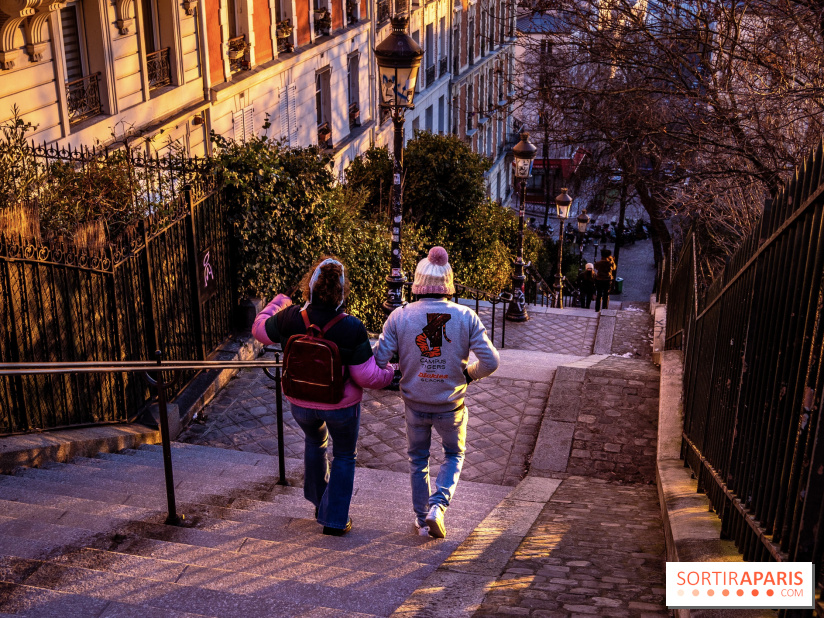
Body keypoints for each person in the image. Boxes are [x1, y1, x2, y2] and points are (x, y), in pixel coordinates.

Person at [252, 257, 393, 536]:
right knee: (344, 454)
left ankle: (319, 502)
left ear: (311, 287)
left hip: (301, 401)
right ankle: (334, 519)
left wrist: (278, 301)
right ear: (342, 292)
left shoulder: (291, 315)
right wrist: (390, 370)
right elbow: (367, 377)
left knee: (314, 442)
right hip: (341, 406)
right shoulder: (351, 326)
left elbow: (259, 330)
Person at [374, 246, 500, 539]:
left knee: (418, 459)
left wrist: (401, 368)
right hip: (451, 404)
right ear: (448, 284)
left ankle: (421, 520)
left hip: (414, 401)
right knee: (454, 454)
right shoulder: (466, 316)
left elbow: (380, 359)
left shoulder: (399, 316)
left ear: (417, 284)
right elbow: (491, 361)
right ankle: (437, 507)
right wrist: (469, 374)